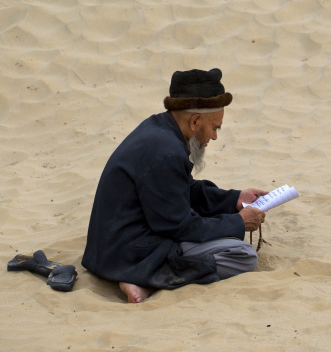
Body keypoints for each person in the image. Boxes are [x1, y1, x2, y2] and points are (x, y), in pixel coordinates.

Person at [82, 68, 267, 303]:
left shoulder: (159, 129)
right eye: (214, 127)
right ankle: (143, 278)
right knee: (242, 255)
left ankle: (140, 276)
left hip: (111, 248)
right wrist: (238, 222)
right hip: (129, 253)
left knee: (226, 236)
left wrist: (234, 199)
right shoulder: (166, 151)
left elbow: (183, 189)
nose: (214, 137)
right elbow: (179, 226)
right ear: (195, 121)